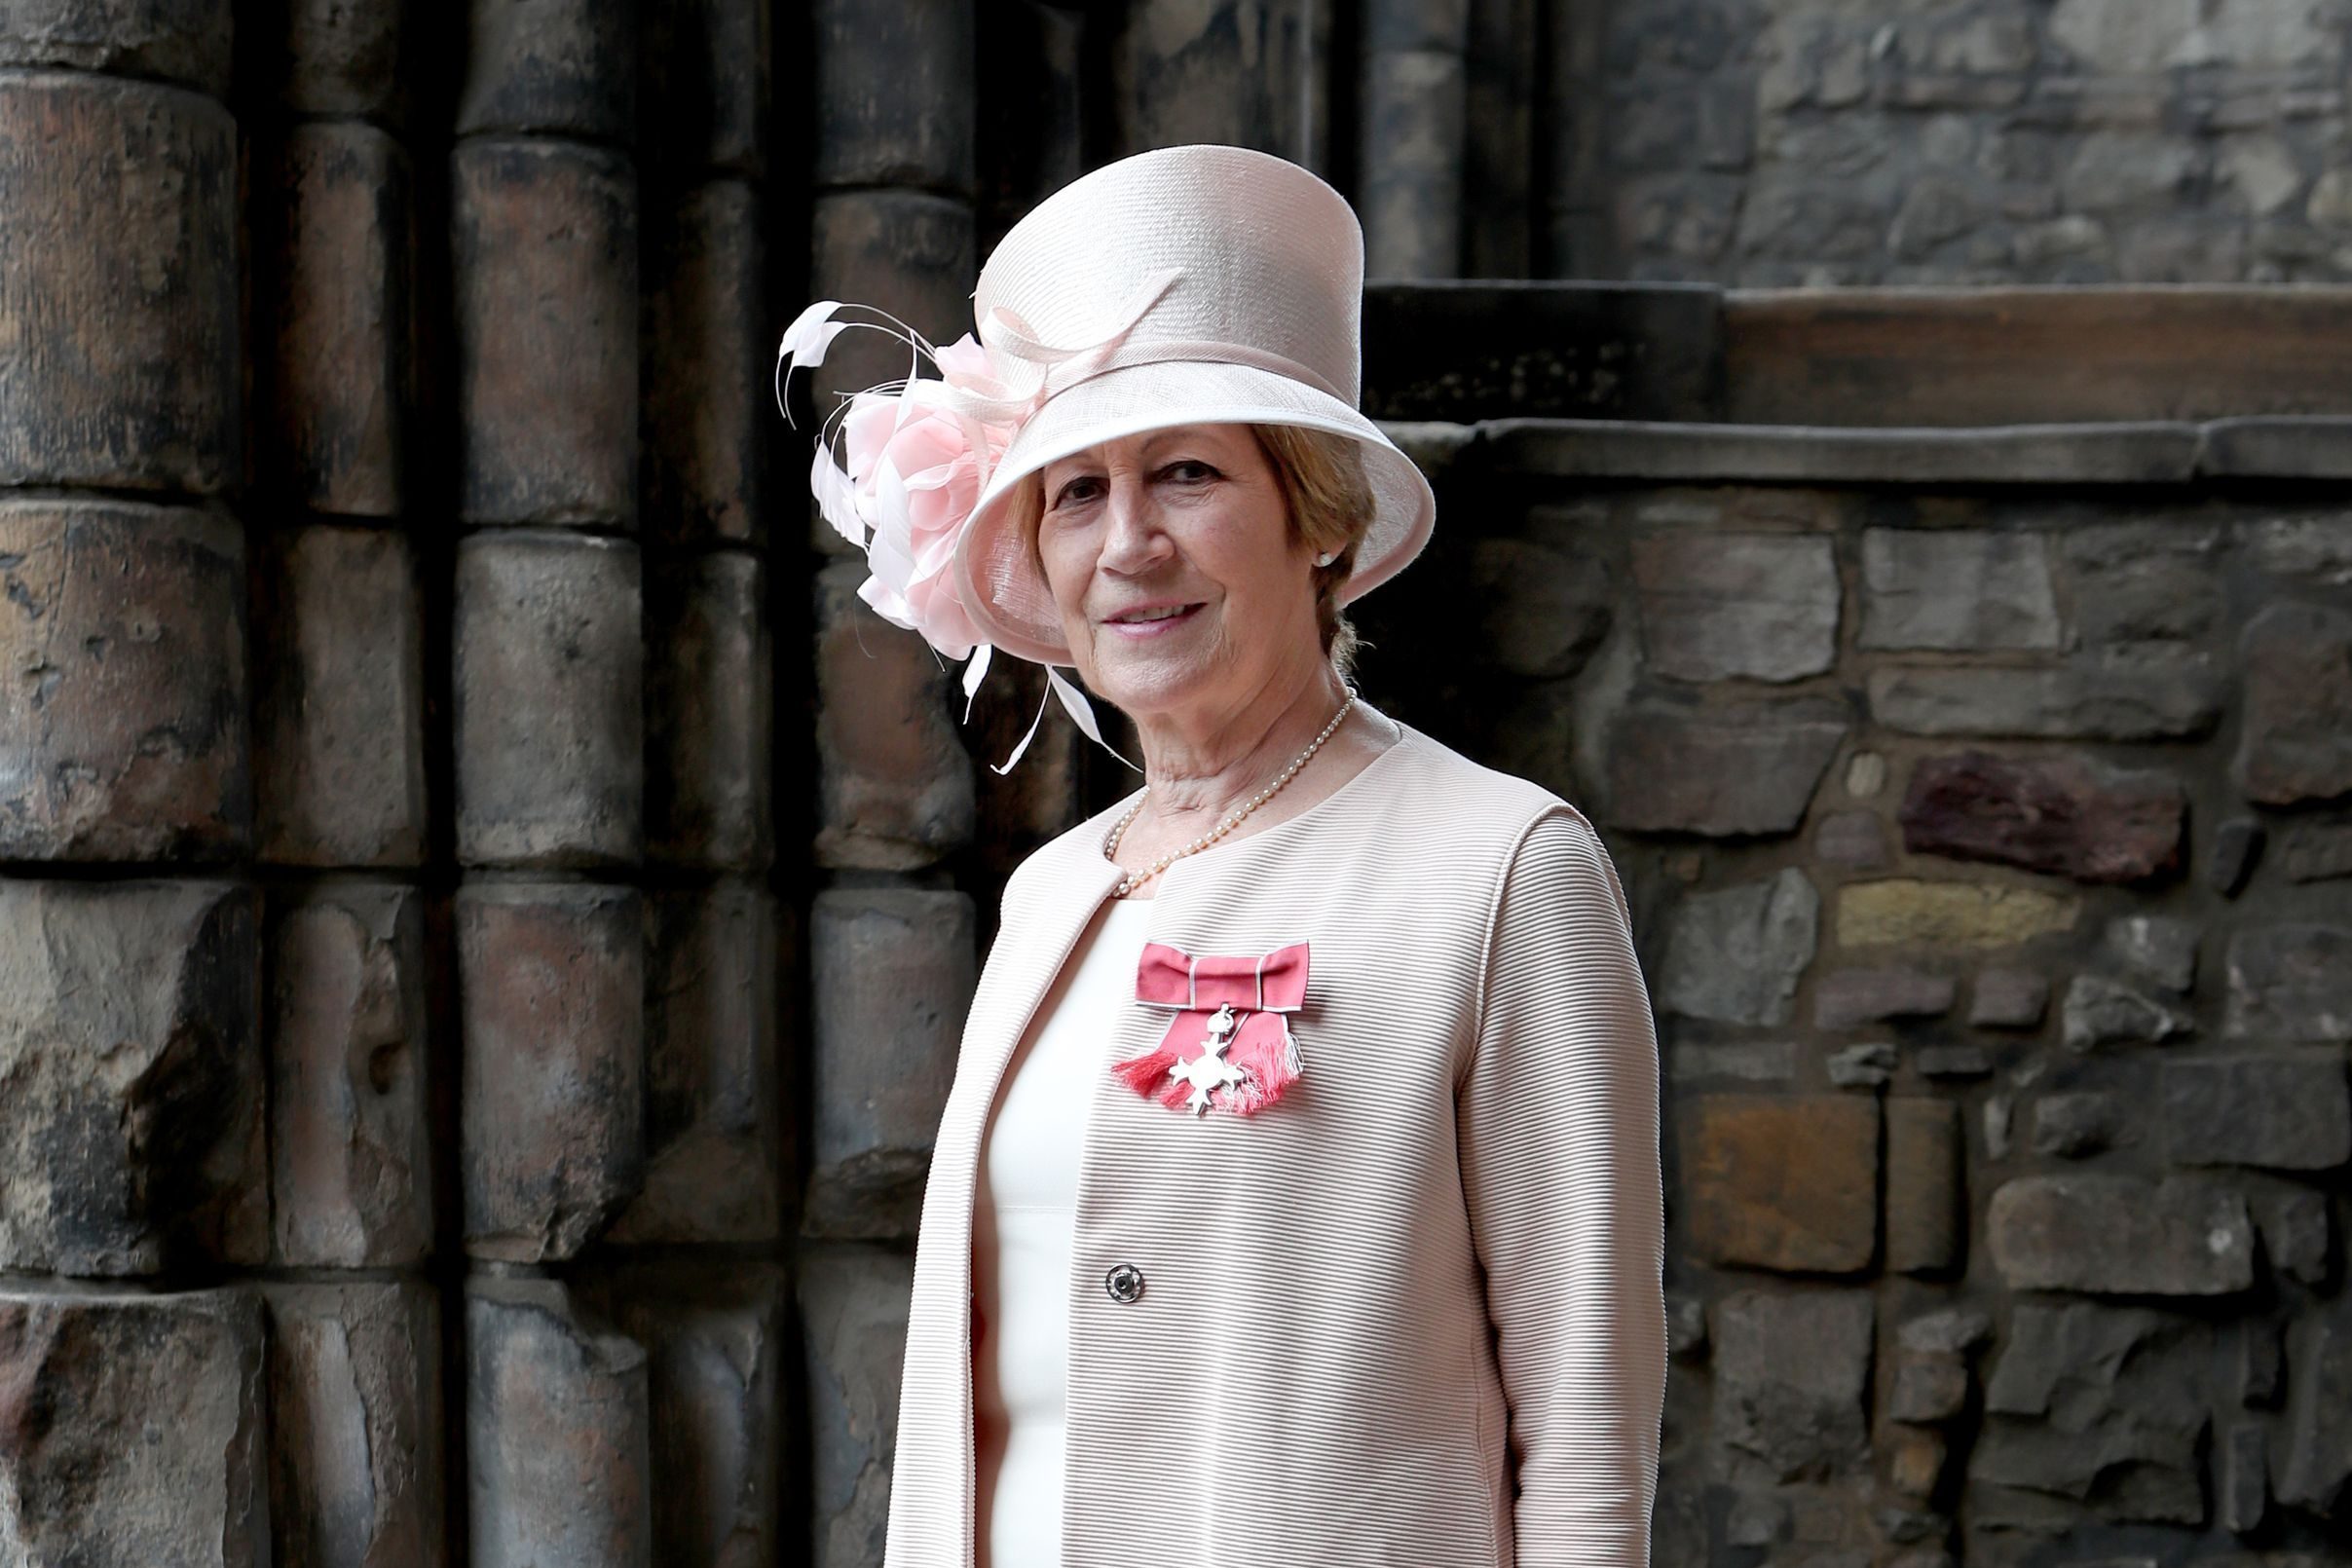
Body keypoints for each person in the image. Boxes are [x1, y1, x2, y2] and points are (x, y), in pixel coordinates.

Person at [779, 143, 1666, 1568]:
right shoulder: (1050, 893)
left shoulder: (1503, 868)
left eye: (1185, 473)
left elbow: (1583, 1429)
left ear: (1313, 517)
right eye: (1075, 492)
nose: (1128, 544)